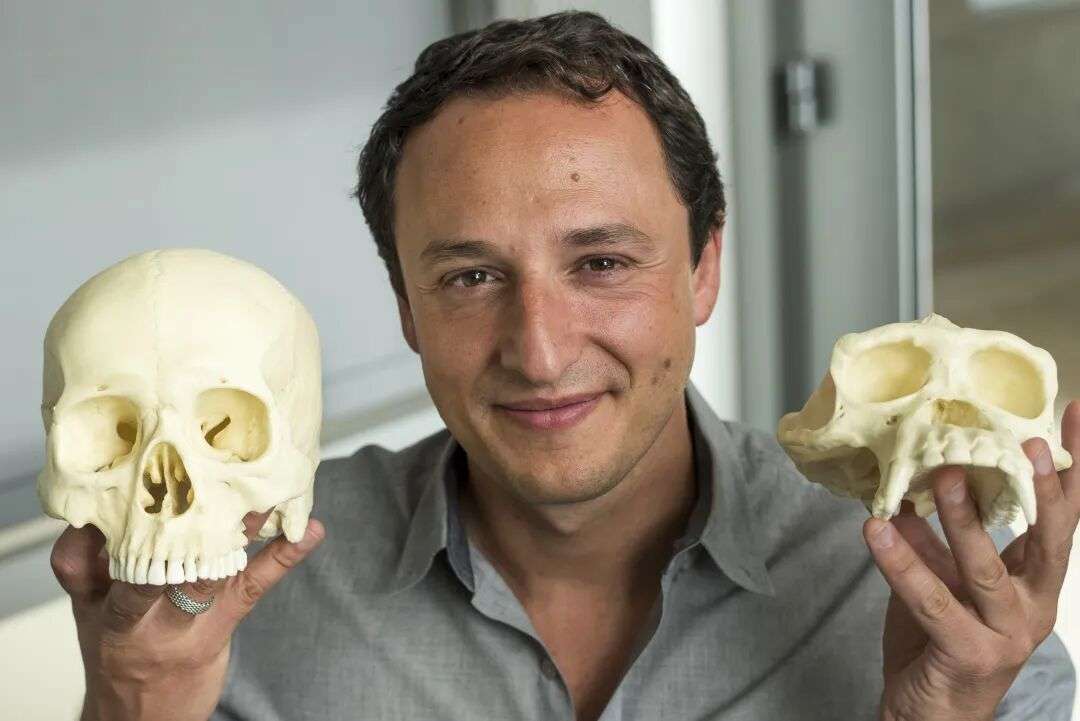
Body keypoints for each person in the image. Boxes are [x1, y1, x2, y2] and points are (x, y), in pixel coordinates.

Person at [52, 11, 1079, 721]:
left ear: (704, 266)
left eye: (600, 263)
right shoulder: (239, 586)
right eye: (468, 277)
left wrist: (937, 712)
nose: (539, 351)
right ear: (405, 307)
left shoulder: (938, 602)